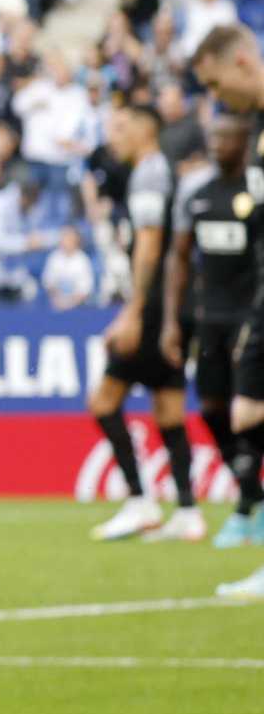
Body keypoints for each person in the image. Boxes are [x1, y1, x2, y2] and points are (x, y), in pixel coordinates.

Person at [87, 95, 199, 541]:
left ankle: (139, 500)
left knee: (104, 402)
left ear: (143, 130)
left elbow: (151, 245)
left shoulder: (150, 173)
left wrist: (133, 312)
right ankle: (188, 510)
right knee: (168, 406)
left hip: (154, 307)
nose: (114, 138)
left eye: (120, 128)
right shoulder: (152, 172)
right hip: (175, 304)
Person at [163, 102, 261, 545]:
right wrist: (172, 320)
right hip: (210, 319)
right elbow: (179, 257)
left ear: (245, 142)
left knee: (247, 412)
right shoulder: (196, 193)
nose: (217, 144)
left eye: (227, 137)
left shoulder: (256, 193)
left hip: (250, 318)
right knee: (211, 409)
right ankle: (251, 494)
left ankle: (245, 508)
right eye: (214, 137)